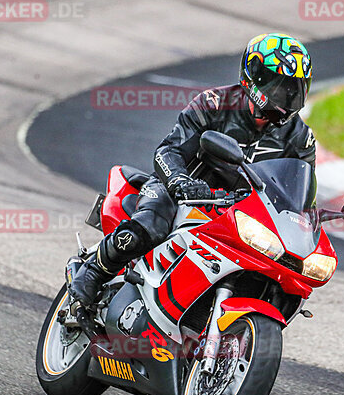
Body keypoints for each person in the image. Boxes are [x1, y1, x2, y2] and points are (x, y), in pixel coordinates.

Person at [69, 32, 317, 307]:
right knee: (151, 224)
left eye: (296, 89)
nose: (288, 97)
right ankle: (92, 273)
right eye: (281, 88)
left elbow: (300, 194)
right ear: (254, 78)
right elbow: (168, 150)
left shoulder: (300, 138)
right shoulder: (213, 105)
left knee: (289, 270)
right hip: (182, 192)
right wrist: (178, 180)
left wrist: (312, 218)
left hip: (239, 214)